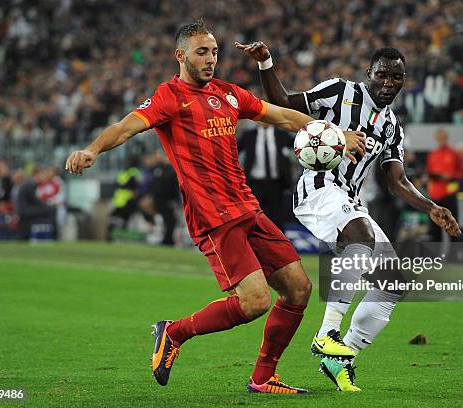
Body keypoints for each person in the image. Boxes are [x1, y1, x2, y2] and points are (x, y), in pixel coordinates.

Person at [65, 21, 365, 395]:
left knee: (299, 289)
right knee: (255, 301)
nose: (211, 60)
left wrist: (336, 133)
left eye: (215, 52)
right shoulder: (168, 97)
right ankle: (173, 332)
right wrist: (92, 149)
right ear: (181, 56)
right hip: (214, 217)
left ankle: (263, 378)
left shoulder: (228, 94)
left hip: (248, 208)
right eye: (201, 52)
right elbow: (125, 127)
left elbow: (284, 116)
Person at [237, 42, 460, 391]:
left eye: (397, 77)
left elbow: (397, 180)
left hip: (352, 201)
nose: (389, 82)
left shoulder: (391, 126)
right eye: (382, 75)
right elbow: (282, 101)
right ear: (369, 74)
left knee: (393, 282)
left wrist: (430, 206)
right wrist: (266, 62)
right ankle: (327, 332)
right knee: (361, 238)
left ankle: (342, 358)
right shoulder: (341, 92)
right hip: (318, 188)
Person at [238, 122, 295, 229]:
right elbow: (234, 151)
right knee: (255, 218)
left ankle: (279, 244)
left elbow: (298, 147)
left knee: (277, 218)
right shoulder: (249, 135)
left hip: (277, 184)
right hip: (254, 185)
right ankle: (257, 244)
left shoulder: (281, 135)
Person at [425, 128, 463, 241]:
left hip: (449, 194)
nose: (441, 139)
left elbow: (461, 173)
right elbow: (428, 172)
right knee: (435, 228)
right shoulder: (432, 155)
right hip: (434, 196)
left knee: (452, 225)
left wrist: (450, 176)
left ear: (446, 138)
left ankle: (456, 255)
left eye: (443, 137)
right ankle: (435, 257)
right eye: (439, 137)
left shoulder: (453, 154)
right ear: (436, 138)